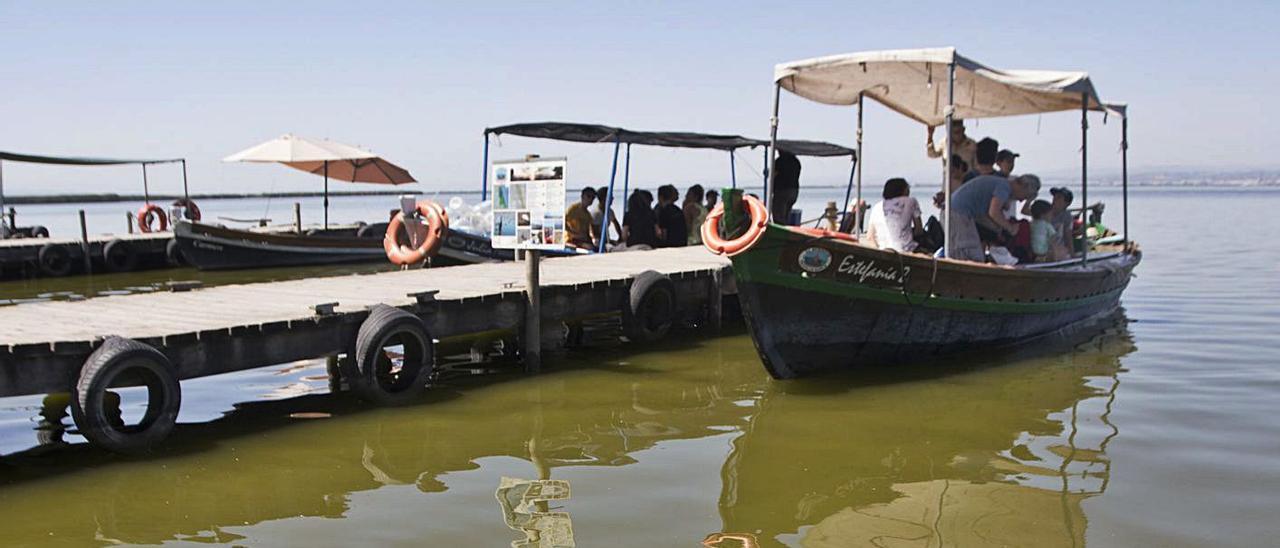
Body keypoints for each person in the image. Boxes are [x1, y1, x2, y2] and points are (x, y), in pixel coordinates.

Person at [946, 173, 1041, 263]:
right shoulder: (1004, 187)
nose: (1020, 201)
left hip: (955, 211)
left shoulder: (1001, 184)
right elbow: (994, 213)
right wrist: (1010, 228)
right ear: (1023, 187)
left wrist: (999, 229)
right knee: (971, 254)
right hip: (958, 213)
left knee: (970, 253)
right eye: (1024, 197)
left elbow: (987, 215)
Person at [865, 178, 923, 253]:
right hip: (905, 250)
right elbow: (919, 230)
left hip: (883, 250)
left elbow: (870, 237)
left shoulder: (877, 206)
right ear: (904, 190)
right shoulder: (911, 201)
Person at [770, 151, 801, 223]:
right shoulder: (796, 161)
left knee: (778, 215)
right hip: (794, 191)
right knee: (786, 214)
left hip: (782, 191)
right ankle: (786, 227)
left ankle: (779, 232)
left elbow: (773, 175)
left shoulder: (780, 161)